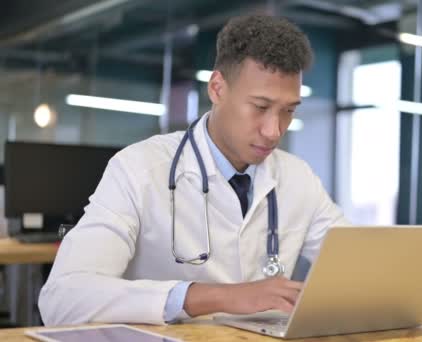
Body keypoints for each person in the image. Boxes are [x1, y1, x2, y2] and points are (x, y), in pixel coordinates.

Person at [38, 14, 349, 326]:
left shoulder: (298, 177)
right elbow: (63, 298)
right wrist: (216, 296)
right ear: (217, 88)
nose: (274, 130)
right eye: (260, 107)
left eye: (288, 111)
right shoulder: (139, 169)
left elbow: (361, 266)